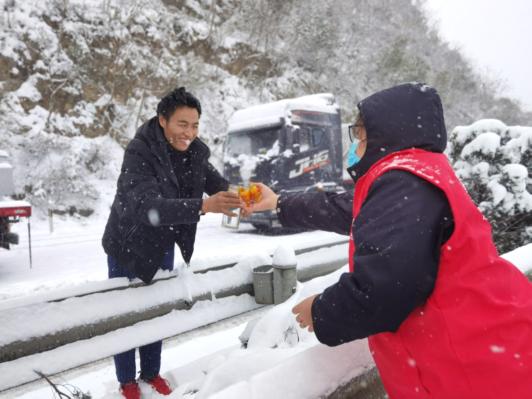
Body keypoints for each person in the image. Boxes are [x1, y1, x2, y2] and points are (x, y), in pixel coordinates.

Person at [249, 83, 532, 398]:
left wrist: (322, 311)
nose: (354, 143)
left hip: (472, 369)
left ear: (386, 132)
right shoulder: (416, 173)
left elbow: (384, 289)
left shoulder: (402, 182)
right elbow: (349, 210)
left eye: (359, 133)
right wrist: (280, 203)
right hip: (492, 347)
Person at [102, 87, 243, 399]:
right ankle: (126, 381)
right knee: (125, 315)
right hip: (128, 241)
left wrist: (243, 194)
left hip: (162, 240)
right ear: (162, 120)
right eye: (182, 124)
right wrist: (204, 206)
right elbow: (147, 206)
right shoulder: (140, 152)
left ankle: (151, 373)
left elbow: (216, 184)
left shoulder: (194, 151)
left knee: (155, 309)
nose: (189, 133)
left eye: (194, 125)